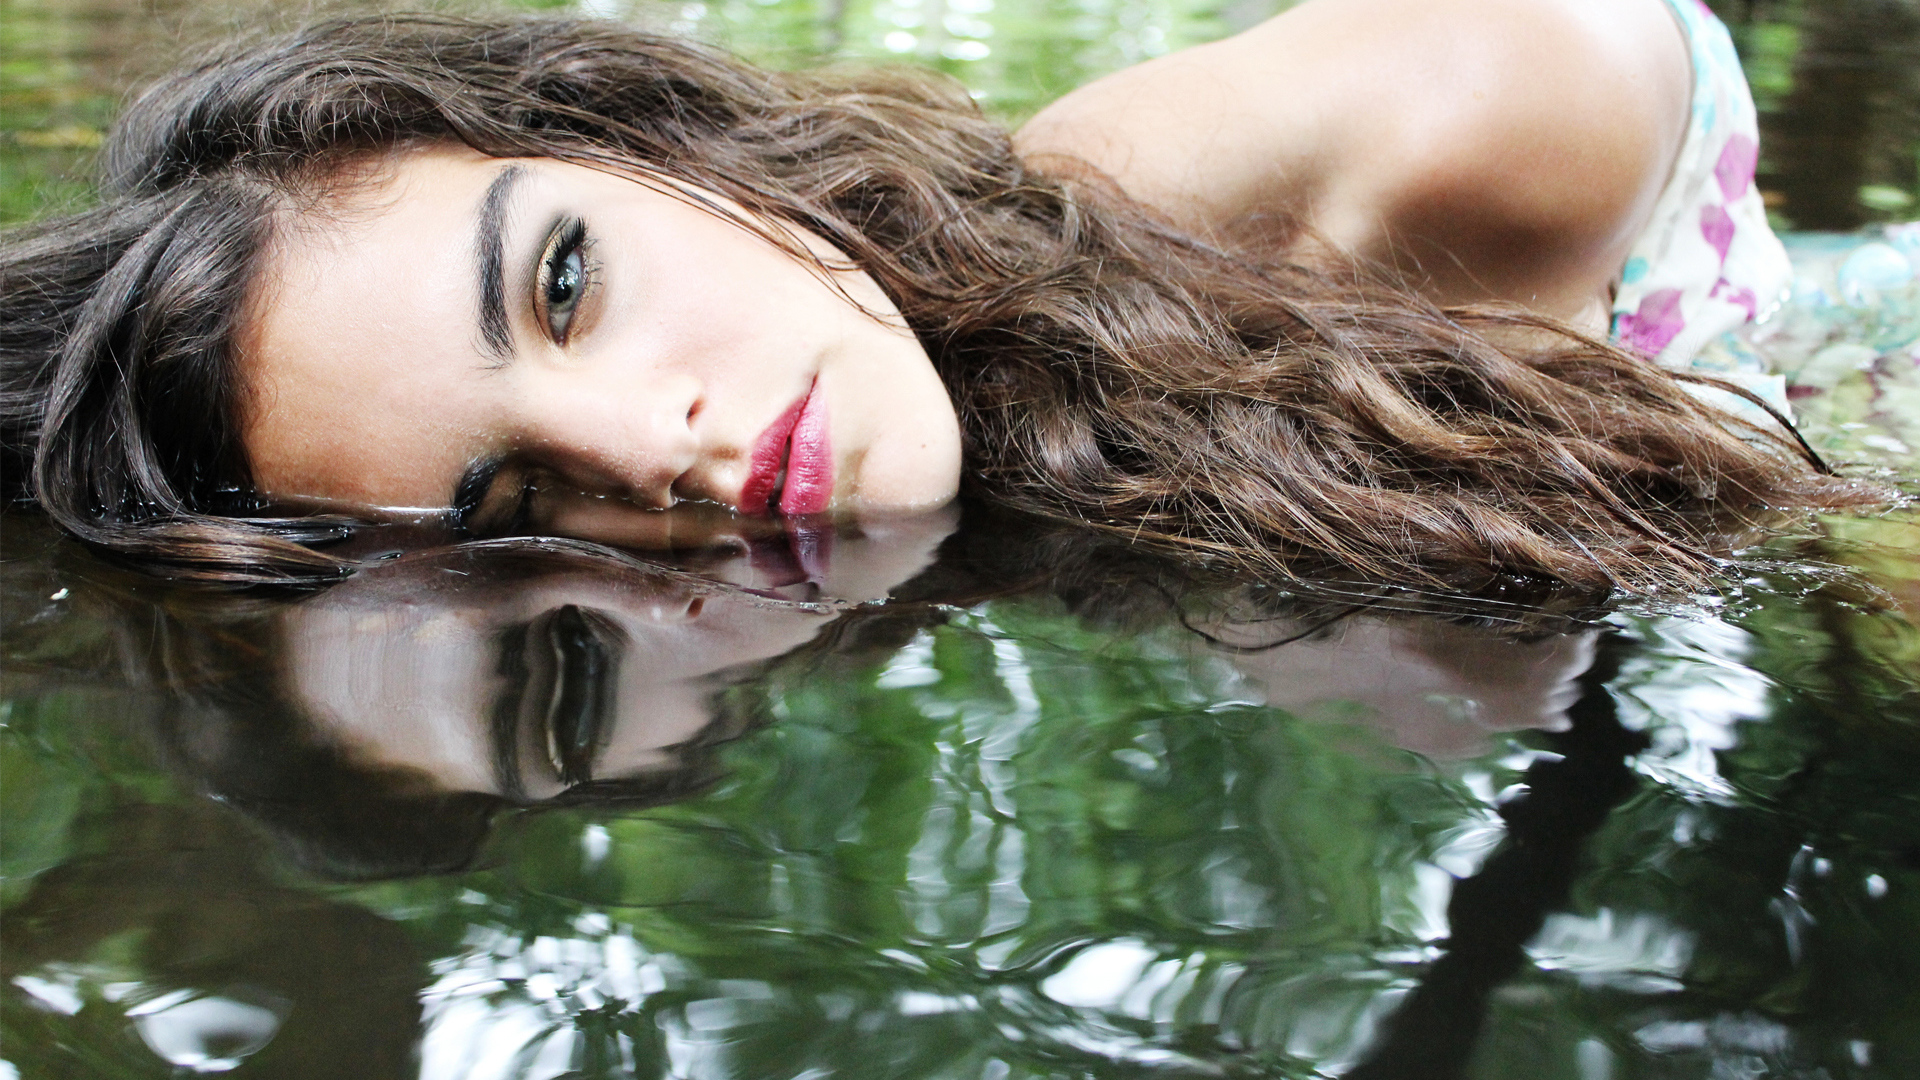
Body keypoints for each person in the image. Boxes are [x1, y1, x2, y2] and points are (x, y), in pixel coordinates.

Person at [0, 0, 1884, 600]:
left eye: (566, 281)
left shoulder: (1457, 120)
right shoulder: (983, 401)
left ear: (649, 143)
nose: (655, 454)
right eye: (512, 501)